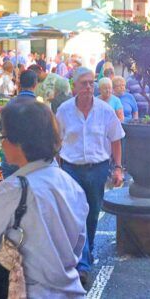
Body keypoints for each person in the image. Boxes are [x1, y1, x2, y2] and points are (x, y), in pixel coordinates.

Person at [0, 101, 88, 298]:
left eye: (5, 136)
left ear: (21, 142)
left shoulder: (13, 191)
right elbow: (78, 246)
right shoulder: (72, 186)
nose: (2, 144)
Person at [55, 67, 124, 284]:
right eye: (84, 83)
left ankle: (88, 249)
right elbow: (57, 141)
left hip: (98, 169)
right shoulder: (64, 111)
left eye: (91, 83)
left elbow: (116, 139)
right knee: (77, 214)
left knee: (93, 214)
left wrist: (118, 168)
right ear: (74, 86)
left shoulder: (105, 110)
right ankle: (82, 265)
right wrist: (56, 169)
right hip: (71, 169)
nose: (88, 87)